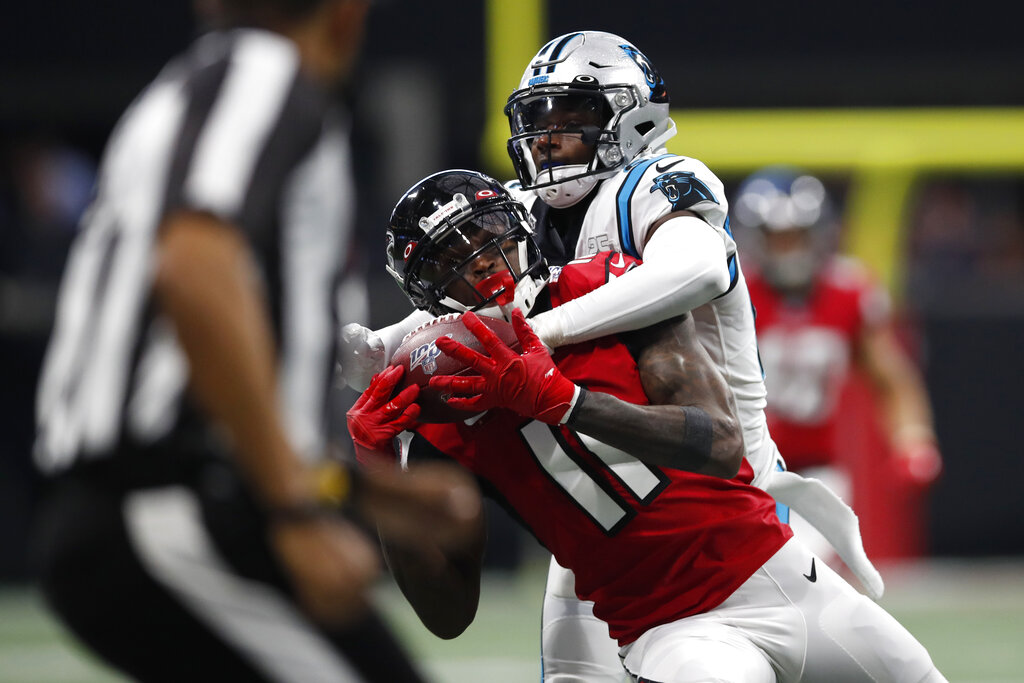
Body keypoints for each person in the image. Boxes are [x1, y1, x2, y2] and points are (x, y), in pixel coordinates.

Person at [338, 30, 882, 682]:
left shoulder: (655, 186)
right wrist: (386, 347)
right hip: (594, 533)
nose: (547, 139)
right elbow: (456, 299)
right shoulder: (523, 215)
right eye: (538, 122)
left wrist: (538, 336)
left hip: (717, 509)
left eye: (571, 119)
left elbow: (699, 268)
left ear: (635, 117)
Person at [30, 2, 480, 681]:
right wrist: (294, 509)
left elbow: (197, 362)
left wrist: (351, 492)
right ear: (347, 15)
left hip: (158, 502)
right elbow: (195, 267)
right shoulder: (262, 75)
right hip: (167, 507)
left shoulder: (201, 87)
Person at [735, 167, 943, 562]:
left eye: (797, 236)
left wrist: (914, 439)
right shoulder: (731, 290)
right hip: (738, 469)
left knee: (799, 569)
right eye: (777, 238)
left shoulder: (848, 291)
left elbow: (891, 378)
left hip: (815, 474)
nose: (788, 249)